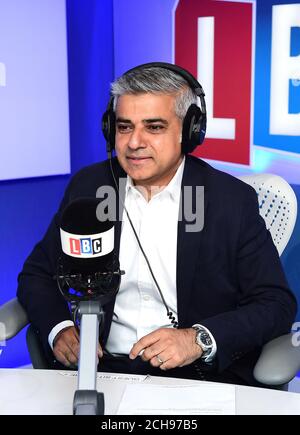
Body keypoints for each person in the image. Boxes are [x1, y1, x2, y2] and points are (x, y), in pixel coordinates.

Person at [17, 63, 297, 386]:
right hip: (102, 373)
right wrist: (60, 328)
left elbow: (276, 304)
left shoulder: (229, 202)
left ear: (188, 131)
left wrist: (197, 339)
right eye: (124, 127)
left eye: (153, 127)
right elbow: (37, 274)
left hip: (199, 379)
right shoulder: (91, 189)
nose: (134, 142)